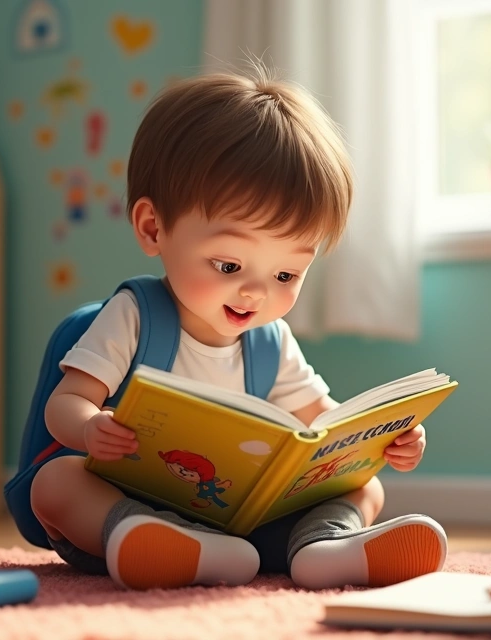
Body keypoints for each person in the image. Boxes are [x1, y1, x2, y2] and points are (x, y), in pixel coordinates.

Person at [29, 65, 446, 591]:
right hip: (132, 504)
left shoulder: (272, 341)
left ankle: (322, 550)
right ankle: (160, 543)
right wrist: (91, 427)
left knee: (368, 490)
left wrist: (379, 441)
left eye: (286, 274)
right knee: (54, 484)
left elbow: (325, 425)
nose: (256, 293)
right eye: (229, 266)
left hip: (237, 520)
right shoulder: (136, 315)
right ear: (154, 228)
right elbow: (64, 406)